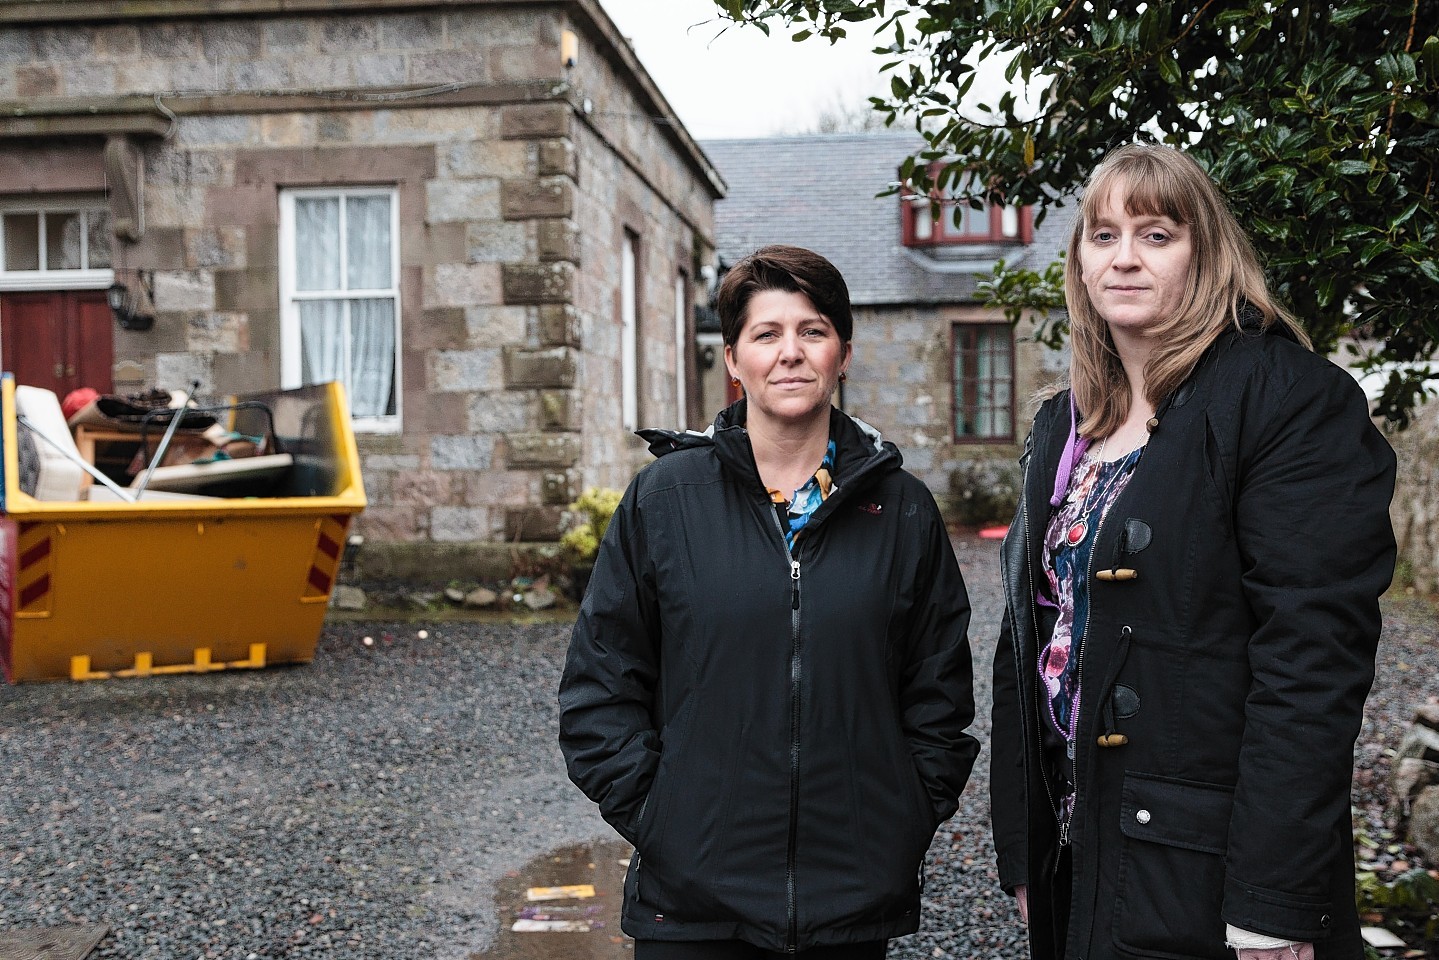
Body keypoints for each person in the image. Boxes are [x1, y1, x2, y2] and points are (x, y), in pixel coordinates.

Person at [990, 143, 1397, 960]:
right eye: (1102, 237)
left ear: (1203, 250)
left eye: (1155, 234)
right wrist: (1027, 855)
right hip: (1081, 848)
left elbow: (1310, 665)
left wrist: (1272, 904)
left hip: (1207, 867)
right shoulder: (1063, 424)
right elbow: (1025, 650)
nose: (1125, 259)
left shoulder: (1288, 400)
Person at [559, 244, 978, 960]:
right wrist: (666, 820)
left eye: (812, 331)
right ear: (733, 359)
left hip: (848, 904)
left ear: (842, 353)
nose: (791, 353)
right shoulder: (664, 501)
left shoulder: (902, 510)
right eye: (766, 334)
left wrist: (898, 818)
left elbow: (937, 693)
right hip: (690, 907)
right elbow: (601, 686)